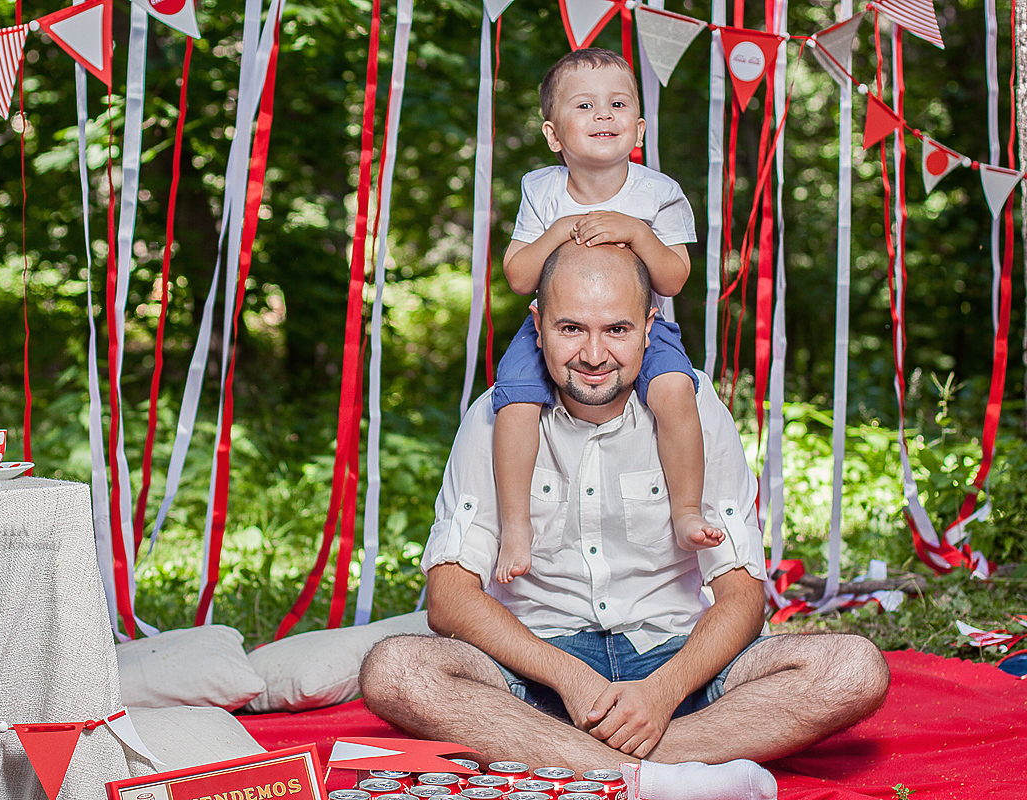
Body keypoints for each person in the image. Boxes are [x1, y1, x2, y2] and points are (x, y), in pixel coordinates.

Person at [359, 241, 891, 800]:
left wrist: (661, 694)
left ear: (648, 325)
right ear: (537, 326)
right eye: (570, 329)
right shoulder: (497, 417)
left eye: (616, 330)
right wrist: (569, 677)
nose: (593, 355)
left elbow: (741, 597)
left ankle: (567, 757)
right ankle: (659, 778)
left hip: (675, 662)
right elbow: (449, 597)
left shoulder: (693, 407)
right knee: (396, 670)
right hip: (537, 670)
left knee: (853, 669)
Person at [494, 47, 723, 586]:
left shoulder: (658, 194)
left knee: (673, 390)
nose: (603, 115)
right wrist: (556, 231)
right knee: (514, 400)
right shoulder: (541, 189)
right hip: (553, 329)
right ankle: (515, 524)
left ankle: (687, 507)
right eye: (585, 106)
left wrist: (639, 233)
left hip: (640, 328)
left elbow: (672, 280)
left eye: (617, 104)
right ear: (554, 135)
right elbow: (518, 276)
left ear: (638, 127)